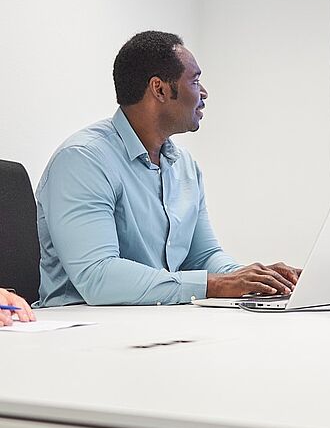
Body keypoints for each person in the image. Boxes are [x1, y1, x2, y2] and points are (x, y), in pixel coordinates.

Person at [35, 31, 299, 307]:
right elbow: (97, 277)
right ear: (159, 89)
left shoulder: (184, 165)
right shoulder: (83, 160)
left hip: (157, 322)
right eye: (195, 81)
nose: (204, 93)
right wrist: (216, 285)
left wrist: (258, 280)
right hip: (79, 329)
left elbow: (203, 255)